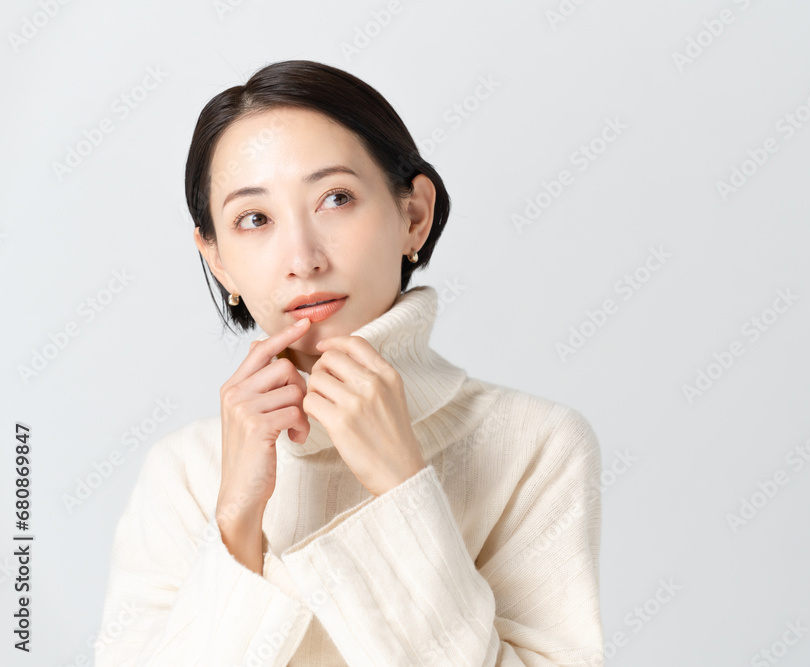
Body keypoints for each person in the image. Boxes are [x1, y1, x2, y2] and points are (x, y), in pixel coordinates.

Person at [96, 59, 604, 666]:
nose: (303, 259)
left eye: (335, 198)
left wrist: (404, 490)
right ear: (219, 261)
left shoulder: (536, 444)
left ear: (413, 216)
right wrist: (235, 523)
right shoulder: (184, 471)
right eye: (254, 219)